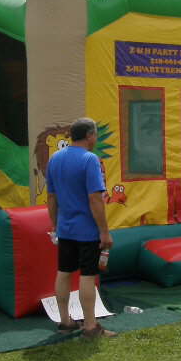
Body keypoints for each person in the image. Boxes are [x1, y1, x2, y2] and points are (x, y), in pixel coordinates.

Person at [46, 117, 116, 339]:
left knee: (64, 272)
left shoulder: (55, 159)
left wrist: (55, 225)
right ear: (89, 135)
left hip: (65, 229)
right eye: (95, 134)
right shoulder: (90, 160)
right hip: (86, 230)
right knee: (87, 275)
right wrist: (104, 231)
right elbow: (95, 198)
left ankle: (65, 321)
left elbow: (51, 197)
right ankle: (90, 326)